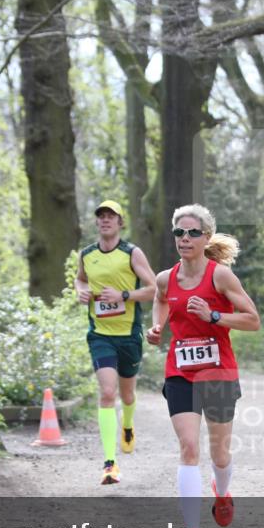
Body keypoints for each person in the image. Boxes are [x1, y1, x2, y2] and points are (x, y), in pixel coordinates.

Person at [146, 204, 261, 528]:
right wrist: (157, 327)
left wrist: (213, 315)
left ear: (206, 237)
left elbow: (252, 320)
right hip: (180, 371)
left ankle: (222, 494)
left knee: (220, 452)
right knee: (188, 449)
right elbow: (160, 299)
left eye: (193, 232)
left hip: (219, 371)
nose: (185, 238)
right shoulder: (166, 277)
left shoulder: (220, 276)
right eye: (179, 232)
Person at [75, 200, 157, 485]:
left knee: (128, 395)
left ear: (120, 222)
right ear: (97, 223)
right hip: (100, 335)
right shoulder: (87, 254)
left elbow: (152, 289)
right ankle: (110, 464)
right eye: (101, 217)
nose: (105, 221)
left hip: (129, 336)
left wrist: (123, 296)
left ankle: (128, 424)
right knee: (107, 393)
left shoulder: (131, 253)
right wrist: (82, 292)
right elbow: (80, 280)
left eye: (111, 217)